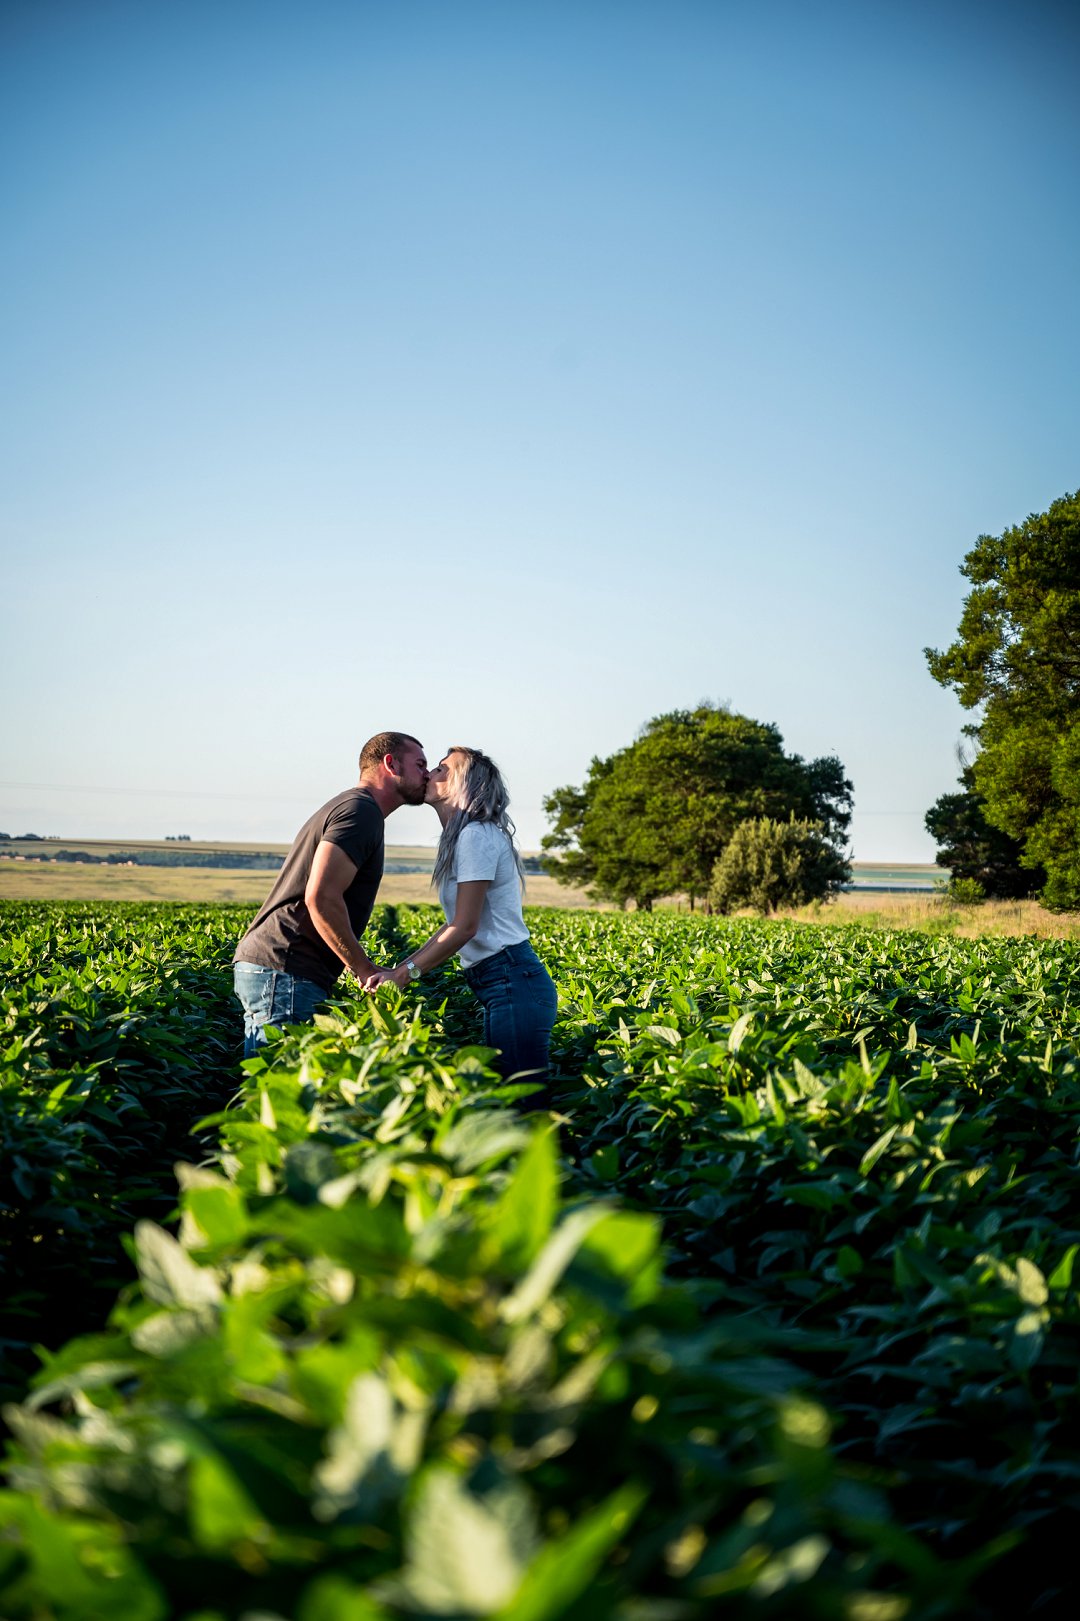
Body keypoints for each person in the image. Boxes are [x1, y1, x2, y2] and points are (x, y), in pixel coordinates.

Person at [367, 746, 559, 1099]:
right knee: (509, 1102)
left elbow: (465, 927)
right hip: (501, 982)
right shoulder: (463, 838)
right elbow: (455, 924)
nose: (429, 774)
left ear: (464, 785)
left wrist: (405, 974)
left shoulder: (476, 836)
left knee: (522, 1106)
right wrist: (399, 969)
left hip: (511, 980)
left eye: (442, 770)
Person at [233, 731, 428, 1055]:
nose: (427, 774)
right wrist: (363, 968)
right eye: (420, 764)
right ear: (390, 764)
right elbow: (321, 896)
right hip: (287, 968)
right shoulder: (361, 811)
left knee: (266, 1089)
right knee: (282, 1092)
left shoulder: (354, 807)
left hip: (278, 968)